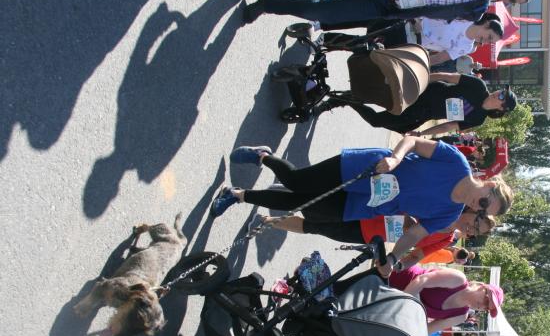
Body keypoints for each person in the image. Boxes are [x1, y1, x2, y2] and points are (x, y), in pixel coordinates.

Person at [210, 137, 513, 277]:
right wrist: (395, 157)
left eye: (485, 210)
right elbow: (413, 141)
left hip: (368, 204)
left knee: (299, 203)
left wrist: (394, 258)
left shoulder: (450, 214)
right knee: (299, 182)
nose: (480, 206)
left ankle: (237, 196)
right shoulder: (456, 162)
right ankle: (263, 155)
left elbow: (415, 236)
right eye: (486, 200)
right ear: (488, 183)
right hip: (370, 168)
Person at [252, 209, 494, 270]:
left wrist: (398, 265)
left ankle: (267, 221)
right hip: (369, 209)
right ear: (474, 212)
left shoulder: (447, 239)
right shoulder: (447, 207)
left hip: (371, 234)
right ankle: (285, 187)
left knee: (314, 226)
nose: (471, 231)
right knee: (318, 209)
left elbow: (418, 255)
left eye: (475, 233)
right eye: (476, 224)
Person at [242, 0, 540, 29]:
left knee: (324, 13)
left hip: (386, 3)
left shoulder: (475, 10)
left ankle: (269, 2)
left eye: (513, 1)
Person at [321, 73, 517, 136]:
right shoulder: (477, 85)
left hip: (421, 114)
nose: (499, 93)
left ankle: (343, 100)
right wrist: (416, 81)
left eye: (502, 97)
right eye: (501, 91)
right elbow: (444, 76)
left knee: (377, 121)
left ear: (501, 109)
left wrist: (422, 134)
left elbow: (449, 126)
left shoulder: (478, 119)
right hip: (423, 92)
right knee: (375, 96)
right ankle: (337, 100)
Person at [324, 14, 502, 68]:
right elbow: (436, 8)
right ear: (486, 24)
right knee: (365, 20)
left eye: (489, 42)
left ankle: (326, 40)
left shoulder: (467, 47)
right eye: (489, 37)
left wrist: (418, 65)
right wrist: (417, 18)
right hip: (407, 22)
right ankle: (323, 23)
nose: (485, 42)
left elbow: (440, 58)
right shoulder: (466, 16)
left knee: (366, 48)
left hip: (410, 43)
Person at [388, 265, 504, 333]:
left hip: (395, 304)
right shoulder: (458, 279)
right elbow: (421, 281)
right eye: (487, 300)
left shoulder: (460, 317)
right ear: (482, 287)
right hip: (394, 278)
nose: (483, 306)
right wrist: (398, 308)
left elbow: (425, 330)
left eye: (487, 308)